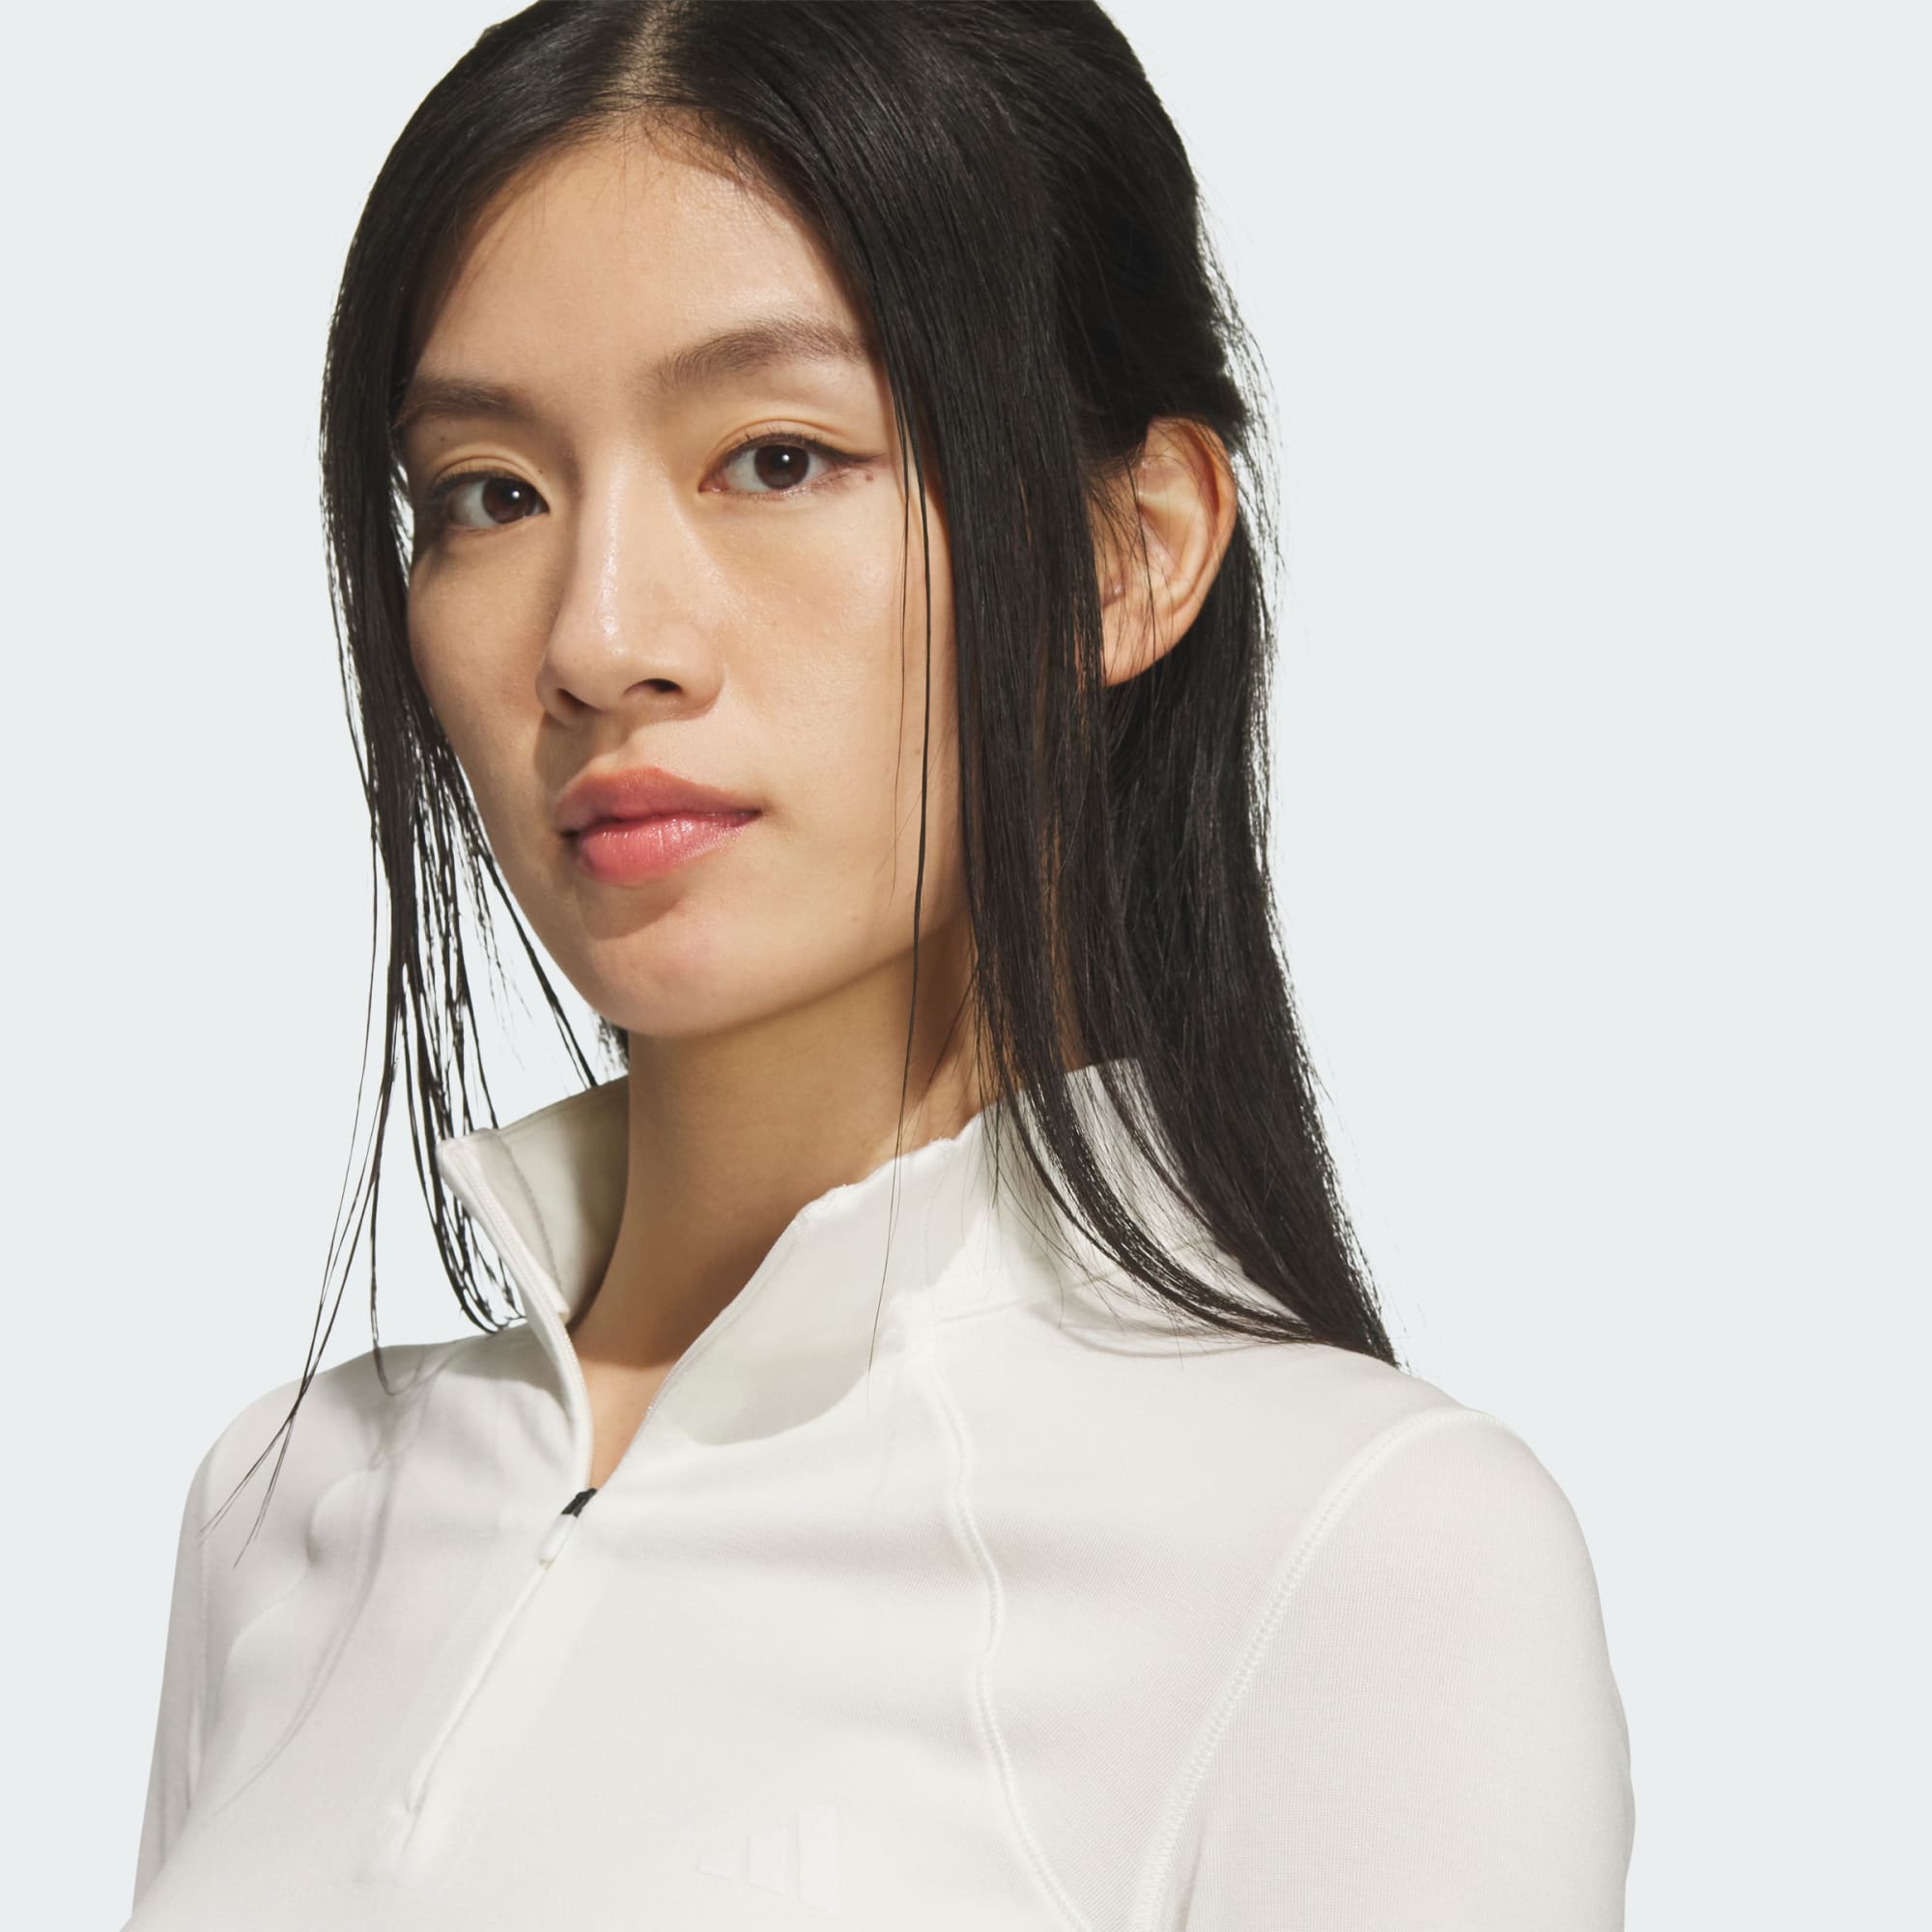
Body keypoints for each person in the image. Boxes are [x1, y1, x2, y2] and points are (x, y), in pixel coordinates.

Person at [127, 3, 1634, 1926]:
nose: (599, 638)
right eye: (490, 492)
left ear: (1131, 551)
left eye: (776, 457)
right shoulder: (290, 1503)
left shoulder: (1358, 1553)